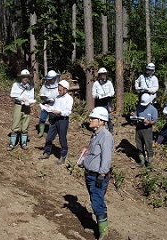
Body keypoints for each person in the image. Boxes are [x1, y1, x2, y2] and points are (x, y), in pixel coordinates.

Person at [81, 107, 114, 240]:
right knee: (94, 200)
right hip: (89, 174)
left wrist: (102, 174)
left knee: (97, 202)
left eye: (93, 118)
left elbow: (106, 157)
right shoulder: (95, 134)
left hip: (97, 176)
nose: (90, 120)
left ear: (100, 121)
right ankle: (99, 228)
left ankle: (104, 232)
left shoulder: (106, 136)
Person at [38, 80, 74, 165]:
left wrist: (60, 112)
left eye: (60, 90)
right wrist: (49, 107)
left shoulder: (69, 99)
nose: (59, 91)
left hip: (63, 120)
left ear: (65, 90)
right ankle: (47, 152)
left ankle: (63, 156)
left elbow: (68, 111)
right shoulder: (57, 97)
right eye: (58, 89)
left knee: (62, 138)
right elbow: (55, 107)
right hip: (55, 119)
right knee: (49, 137)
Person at [7, 69, 35, 151]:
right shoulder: (15, 85)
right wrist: (21, 99)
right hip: (18, 106)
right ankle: (12, 143)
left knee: (25, 125)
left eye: (27, 77)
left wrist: (30, 102)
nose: (25, 78)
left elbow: (31, 97)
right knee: (15, 124)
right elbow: (12, 94)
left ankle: (23, 143)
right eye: (24, 77)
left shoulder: (31, 87)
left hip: (27, 107)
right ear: (21, 78)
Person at [131, 93, 158, 167]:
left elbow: (155, 120)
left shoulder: (153, 110)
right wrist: (134, 115)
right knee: (139, 145)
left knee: (148, 146)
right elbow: (136, 114)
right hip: (139, 128)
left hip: (147, 129)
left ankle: (149, 162)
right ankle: (142, 161)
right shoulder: (139, 106)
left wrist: (148, 122)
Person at [92, 67, 115, 132]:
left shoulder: (109, 83)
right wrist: (98, 96)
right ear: (99, 75)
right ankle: (98, 129)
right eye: (101, 74)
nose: (103, 76)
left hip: (107, 101)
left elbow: (112, 92)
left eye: (104, 74)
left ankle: (110, 130)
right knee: (98, 116)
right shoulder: (96, 83)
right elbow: (93, 93)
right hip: (99, 102)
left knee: (108, 116)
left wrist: (108, 95)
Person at [38, 70, 60, 137]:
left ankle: (52, 132)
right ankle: (41, 132)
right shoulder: (45, 86)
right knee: (42, 118)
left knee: (52, 119)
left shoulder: (58, 87)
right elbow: (41, 94)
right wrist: (43, 97)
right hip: (45, 104)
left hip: (54, 105)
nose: (51, 81)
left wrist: (53, 100)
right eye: (49, 79)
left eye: (52, 79)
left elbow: (60, 97)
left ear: (55, 79)